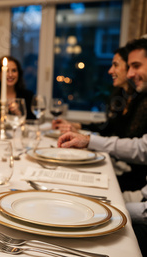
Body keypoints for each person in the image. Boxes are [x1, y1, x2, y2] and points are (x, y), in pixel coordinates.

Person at [58, 37, 147, 257]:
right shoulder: (127, 97)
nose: (127, 74)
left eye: (135, 66)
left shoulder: (140, 101)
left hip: (132, 185)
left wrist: (118, 208)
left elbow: (138, 148)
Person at [53, 47, 147, 190]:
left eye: (115, 65)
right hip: (119, 167)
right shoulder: (122, 96)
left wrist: (86, 138)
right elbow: (108, 127)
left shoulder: (142, 100)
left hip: (133, 178)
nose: (110, 71)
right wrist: (78, 127)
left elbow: (139, 148)